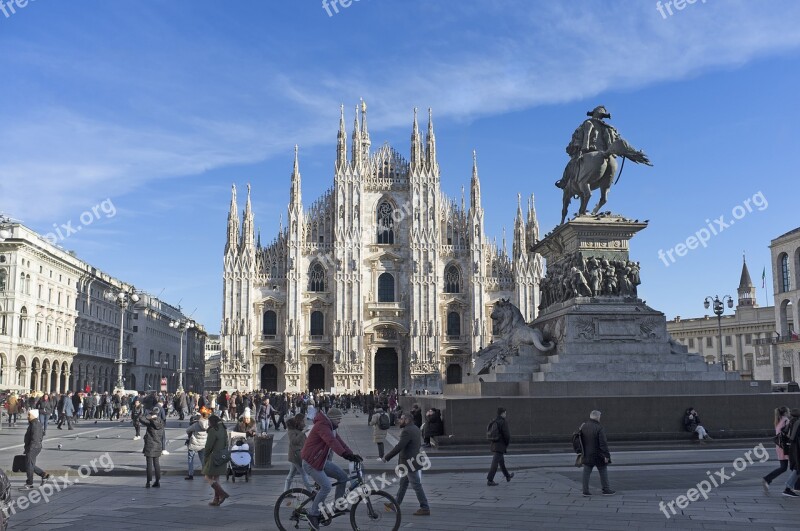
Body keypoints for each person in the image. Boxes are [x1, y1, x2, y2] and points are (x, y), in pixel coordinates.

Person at [300, 408, 362, 530]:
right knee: (326, 486)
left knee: (343, 477)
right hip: (311, 462)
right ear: (333, 419)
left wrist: (352, 455)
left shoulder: (331, 428)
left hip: (321, 461)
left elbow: (340, 443)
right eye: (339, 419)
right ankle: (313, 514)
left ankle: (338, 504)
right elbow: (331, 442)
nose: (340, 421)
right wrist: (344, 455)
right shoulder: (322, 425)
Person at [380, 413, 430, 516]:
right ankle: (395, 504)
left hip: (408, 462)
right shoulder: (415, 428)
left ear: (407, 420)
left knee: (416, 485)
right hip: (413, 460)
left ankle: (425, 507)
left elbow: (399, 446)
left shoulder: (407, 431)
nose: (399, 421)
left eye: (401, 419)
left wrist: (387, 457)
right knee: (403, 484)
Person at [579, 410, 614, 496]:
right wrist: (606, 455)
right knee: (603, 470)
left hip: (587, 454)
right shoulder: (599, 428)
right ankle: (606, 489)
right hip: (598, 455)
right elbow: (603, 444)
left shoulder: (583, 426)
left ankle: (585, 491)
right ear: (598, 417)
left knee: (586, 472)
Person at [202, 415, 230, 506]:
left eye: (209, 422)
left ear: (212, 422)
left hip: (214, 456)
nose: (208, 423)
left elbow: (208, 446)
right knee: (216, 478)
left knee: (207, 477)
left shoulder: (213, 430)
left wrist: (205, 457)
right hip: (222, 456)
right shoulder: (223, 428)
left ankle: (222, 494)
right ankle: (216, 499)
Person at [763, 406, 791, 493]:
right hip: (786, 447)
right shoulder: (786, 420)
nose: (789, 413)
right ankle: (792, 487)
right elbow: (789, 434)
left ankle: (767, 479)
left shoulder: (778, 421)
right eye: (788, 411)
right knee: (795, 467)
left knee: (783, 467)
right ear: (786, 413)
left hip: (779, 447)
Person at [20, 409, 50, 490]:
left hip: (33, 447)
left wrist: (30, 448)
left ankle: (29, 483)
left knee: (29, 464)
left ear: (33, 415)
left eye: (29, 415)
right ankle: (44, 475)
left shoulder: (35, 424)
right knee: (29, 464)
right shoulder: (34, 423)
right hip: (33, 447)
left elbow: (35, 438)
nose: (27, 416)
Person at [285, 414, 314, 492]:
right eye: (302, 421)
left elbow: (304, 441)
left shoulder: (298, 430)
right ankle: (310, 491)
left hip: (296, 455)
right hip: (296, 456)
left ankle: (285, 492)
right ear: (299, 421)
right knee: (304, 473)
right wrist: (302, 433)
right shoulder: (292, 431)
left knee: (291, 475)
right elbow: (294, 441)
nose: (304, 422)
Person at [486, 407, 514, 486]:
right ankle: (490, 480)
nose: (506, 414)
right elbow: (507, 435)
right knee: (495, 463)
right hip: (500, 445)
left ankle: (508, 476)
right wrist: (506, 443)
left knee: (501, 463)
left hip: (494, 444)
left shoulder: (495, 420)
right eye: (505, 413)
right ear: (502, 413)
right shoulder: (503, 422)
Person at [139, 406, 164, 488]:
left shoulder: (150, 422)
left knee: (149, 464)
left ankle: (148, 482)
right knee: (156, 464)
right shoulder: (161, 422)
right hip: (158, 445)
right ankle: (157, 481)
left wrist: (149, 416)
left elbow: (141, 419)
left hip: (150, 445)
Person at [186, 407, 210, 480]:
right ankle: (205, 473)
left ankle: (191, 474)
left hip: (194, 443)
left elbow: (187, 430)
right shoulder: (209, 425)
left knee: (190, 459)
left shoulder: (196, 424)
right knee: (203, 459)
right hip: (203, 444)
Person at [782, 408, 800, 497]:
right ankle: (787, 488)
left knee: (797, 468)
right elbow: (793, 437)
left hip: (793, 447)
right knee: (797, 468)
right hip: (797, 447)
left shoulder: (791, 421)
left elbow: (785, 432)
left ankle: (792, 488)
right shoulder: (797, 422)